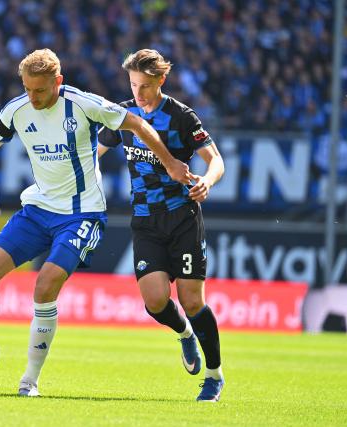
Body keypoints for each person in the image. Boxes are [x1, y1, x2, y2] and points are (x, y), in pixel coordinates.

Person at [0, 48, 193, 397]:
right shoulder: (16, 109)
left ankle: (29, 381)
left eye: (40, 90)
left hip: (82, 213)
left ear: (58, 82)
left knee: (45, 285)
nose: (33, 97)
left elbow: (137, 123)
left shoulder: (84, 104)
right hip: (39, 209)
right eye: (27, 89)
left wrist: (171, 163)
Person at [98, 49, 226, 402]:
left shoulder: (181, 116)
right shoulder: (123, 115)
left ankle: (214, 376)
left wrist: (208, 182)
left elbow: (215, 159)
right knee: (155, 301)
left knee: (192, 300)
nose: (138, 92)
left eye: (145, 85)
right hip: (145, 221)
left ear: (161, 81)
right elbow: (96, 153)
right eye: (133, 83)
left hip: (182, 217)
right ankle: (185, 334)